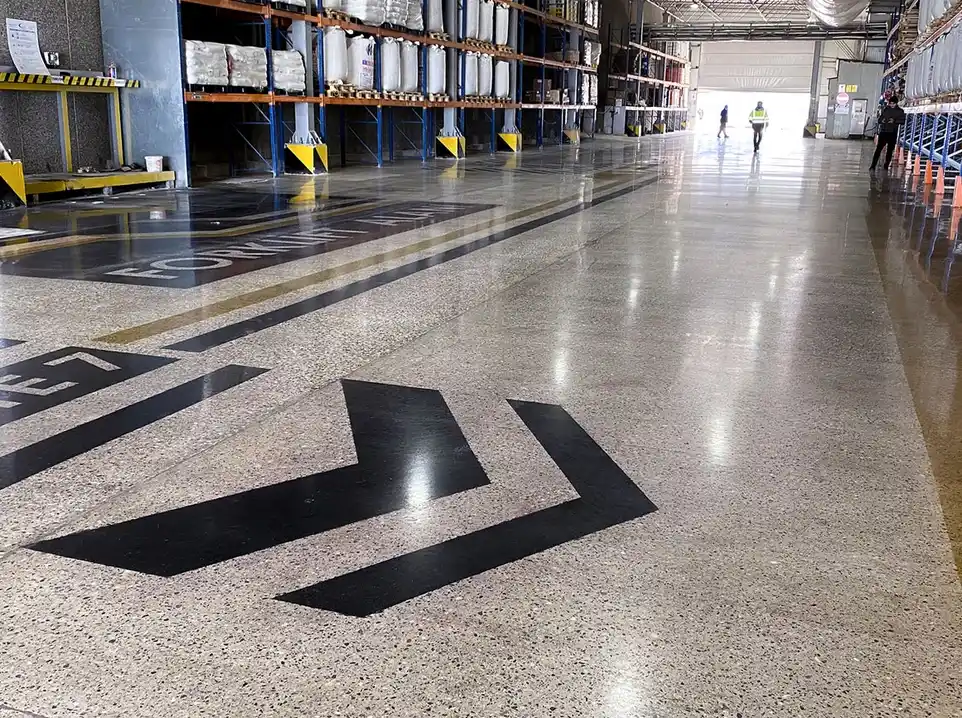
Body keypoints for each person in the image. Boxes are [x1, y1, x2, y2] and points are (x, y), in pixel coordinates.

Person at [870, 96, 906, 171]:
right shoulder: (886, 109)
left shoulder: (900, 111)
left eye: (893, 103)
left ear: (896, 103)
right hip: (883, 132)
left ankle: (886, 165)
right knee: (878, 150)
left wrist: (894, 121)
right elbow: (879, 119)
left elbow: (902, 121)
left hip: (892, 133)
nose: (892, 105)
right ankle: (873, 165)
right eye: (890, 103)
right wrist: (882, 120)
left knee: (889, 151)